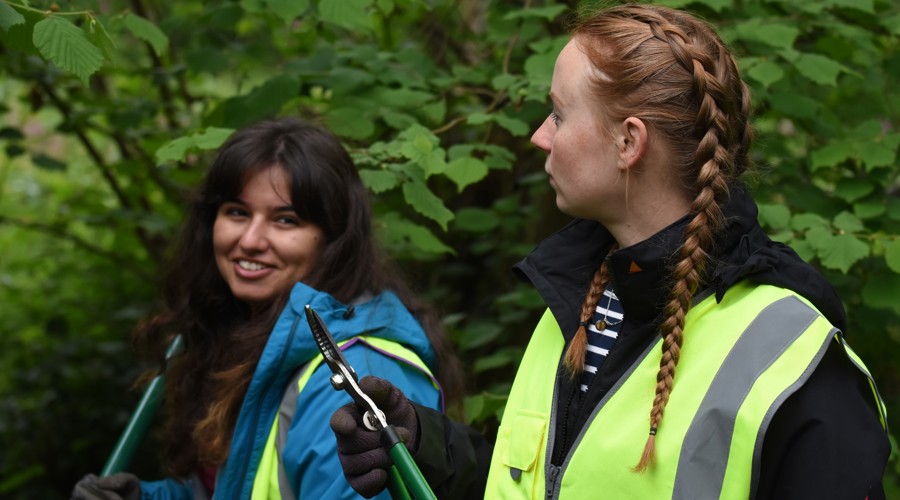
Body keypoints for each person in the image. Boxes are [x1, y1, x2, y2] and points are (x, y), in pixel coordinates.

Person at [329, 4, 890, 499]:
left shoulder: (795, 361)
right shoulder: (581, 296)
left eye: (559, 113)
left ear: (628, 141)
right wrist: (424, 445)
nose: (539, 137)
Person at [71, 117, 462, 499]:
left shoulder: (356, 377)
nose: (251, 240)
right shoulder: (246, 339)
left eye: (285, 220)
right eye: (237, 213)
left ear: (332, 239)